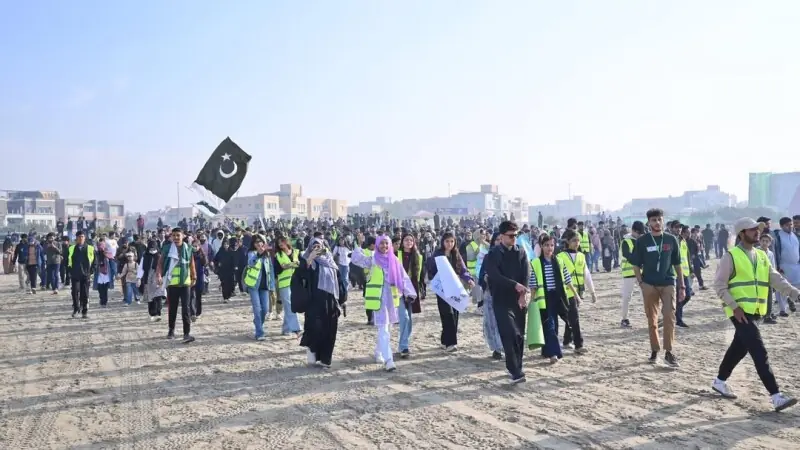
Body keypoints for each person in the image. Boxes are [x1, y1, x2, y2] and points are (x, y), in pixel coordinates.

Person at [710, 218, 799, 411]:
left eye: (758, 229)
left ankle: (719, 381)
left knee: (739, 349)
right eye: (752, 230)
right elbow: (719, 285)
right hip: (740, 313)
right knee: (759, 352)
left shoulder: (761, 255)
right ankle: (776, 396)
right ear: (742, 233)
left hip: (756, 311)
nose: (757, 232)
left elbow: (775, 279)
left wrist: (795, 293)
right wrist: (734, 306)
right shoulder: (731, 256)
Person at [351, 235, 417, 371]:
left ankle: (379, 352)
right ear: (377, 244)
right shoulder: (373, 259)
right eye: (381, 244)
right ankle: (389, 360)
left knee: (388, 328)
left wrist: (410, 292)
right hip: (379, 300)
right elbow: (357, 259)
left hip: (392, 300)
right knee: (384, 328)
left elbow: (403, 277)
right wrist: (359, 244)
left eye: (386, 244)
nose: (384, 246)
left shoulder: (394, 260)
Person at [629, 208, 685, 367]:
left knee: (669, 317)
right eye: (653, 220)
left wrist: (682, 286)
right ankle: (654, 350)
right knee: (652, 320)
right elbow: (635, 265)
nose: (657, 223)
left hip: (668, 283)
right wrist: (641, 284)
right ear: (648, 222)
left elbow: (678, 265)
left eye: (659, 219)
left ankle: (669, 352)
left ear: (663, 220)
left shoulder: (671, 239)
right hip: (649, 285)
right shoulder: (642, 241)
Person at [484, 222, 531, 384]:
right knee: (508, 333)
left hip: (518, 300)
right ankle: (515, 370)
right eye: (511, 235)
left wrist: (522, 294)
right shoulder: (493, 254)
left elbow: (526, 274)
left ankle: (519, 366)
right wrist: (514, 285)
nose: (514, 238)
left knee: (519, 335)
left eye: (516, 235)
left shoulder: (521, 253)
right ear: (502, 236)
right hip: (501, 300)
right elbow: (494, 275)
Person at [297, 238, 343, 369]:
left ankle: (326, 359)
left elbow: (339, 282)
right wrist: (309, 259)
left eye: (319, 246)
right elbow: (301, 275)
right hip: (314, 302)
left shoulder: (330, 261)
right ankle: (313, 351)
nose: (317, 248)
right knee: (315, 329)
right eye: (314, 246)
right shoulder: (306, 259)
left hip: (331, 302)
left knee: (330, 330)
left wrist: (342, 299)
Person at [426, 232, 475, 352]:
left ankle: (445, 340)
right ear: (443, 242)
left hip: (455, 288)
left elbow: (463, 269)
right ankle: (451, 343)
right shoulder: (437, 254)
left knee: (455, 314)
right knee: (447, 314)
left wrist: (468, 279)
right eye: (447, 241)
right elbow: (430, 268)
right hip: (442, 290)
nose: (449, 244)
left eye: (452, 241)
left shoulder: (456, 254)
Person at [156, 228, 197, 343]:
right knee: (172, 308)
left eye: (178, 235)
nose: (176, 238)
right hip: (172, 284)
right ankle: (171, 330)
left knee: (186, 308)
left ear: (183, 236)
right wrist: (158, 275)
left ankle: (186, 333)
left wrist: (194, 276)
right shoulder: (167, 248)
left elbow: (191, 263)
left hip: (185, 283)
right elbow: (160, 263)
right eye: (173, 235)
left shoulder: (188, 248)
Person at [243, 234, 277, 340]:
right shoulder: (251, 253)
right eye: (256, 242)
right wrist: (258, 253)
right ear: (253, 244)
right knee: (257, 309)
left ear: (263, 242)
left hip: (264, 286)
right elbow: (250, 263)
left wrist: (272, 286)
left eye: (260, 241)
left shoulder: (267, 255)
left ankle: (257, 323)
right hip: (253, 285)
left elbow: (270, 271)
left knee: (265, 309)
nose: (258, 243)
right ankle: (259, 333)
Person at [272, 236, 302, 337]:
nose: (281, 244)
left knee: (289, 306)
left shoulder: (297, 252)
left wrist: (289, 265)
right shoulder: (278, 255)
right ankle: (297, 329)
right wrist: (293, 264)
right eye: (279, 242)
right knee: (290, 306)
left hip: (296, 283)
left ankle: (286, 329)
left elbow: (301, 264)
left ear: (287, 241)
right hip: (284, 284)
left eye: (282, 241)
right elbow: (279, 268)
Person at [67, 231, 94, 319]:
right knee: (74, 292)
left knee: (85, 293)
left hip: (86, 274)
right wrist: (69, 271)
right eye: (79, 237)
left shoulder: (90, 248)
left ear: (84, 237)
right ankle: (76, 308)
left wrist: (92, 271)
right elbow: (67, 261)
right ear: (76, 238)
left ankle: (84, 311)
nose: (81, 238)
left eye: (82, 236)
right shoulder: (71, 248)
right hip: (75, 274)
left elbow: (95, 261)